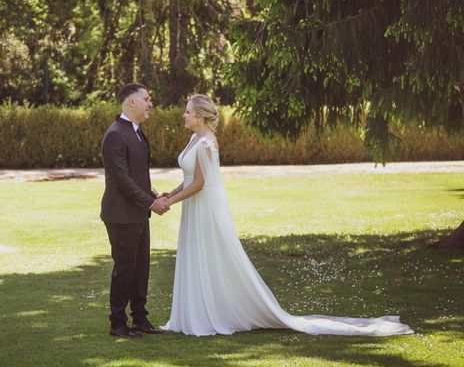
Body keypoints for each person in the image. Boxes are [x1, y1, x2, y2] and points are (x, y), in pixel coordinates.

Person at [158, 94, 414, 336]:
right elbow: (189, 178)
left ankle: (211, 314)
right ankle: (196, 312)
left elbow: (200, 183)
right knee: (198, 255)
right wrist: (170, 193)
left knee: (210, 256)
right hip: (194, 206)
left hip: (203, 209)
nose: (184, 115)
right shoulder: (194, 139)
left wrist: (171, 202)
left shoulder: (205, 142)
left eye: (188, 111)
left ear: (200, 116)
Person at [101, 83, 168, 339]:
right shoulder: (116, 134)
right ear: (132, 102)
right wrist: (151, 203)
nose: (150, 103)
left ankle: (140, 319)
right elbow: (121, 180)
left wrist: (153, 194)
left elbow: (137, 176)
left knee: (141, 269)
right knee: (125, 269)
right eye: (147, 99)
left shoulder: (137, 131)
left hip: (138, 213)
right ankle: (117, 324)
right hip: (121, 216)